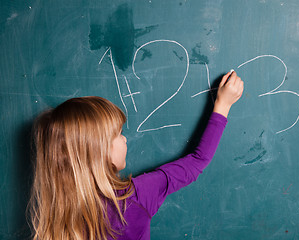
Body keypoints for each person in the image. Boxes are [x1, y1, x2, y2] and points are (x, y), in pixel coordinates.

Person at [29, 70, 244, 240]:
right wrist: (222, 105)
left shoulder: (57, 219)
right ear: (99, 151)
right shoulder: (135, 199)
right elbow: (197, 162)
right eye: (118, 134)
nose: (124, 139)